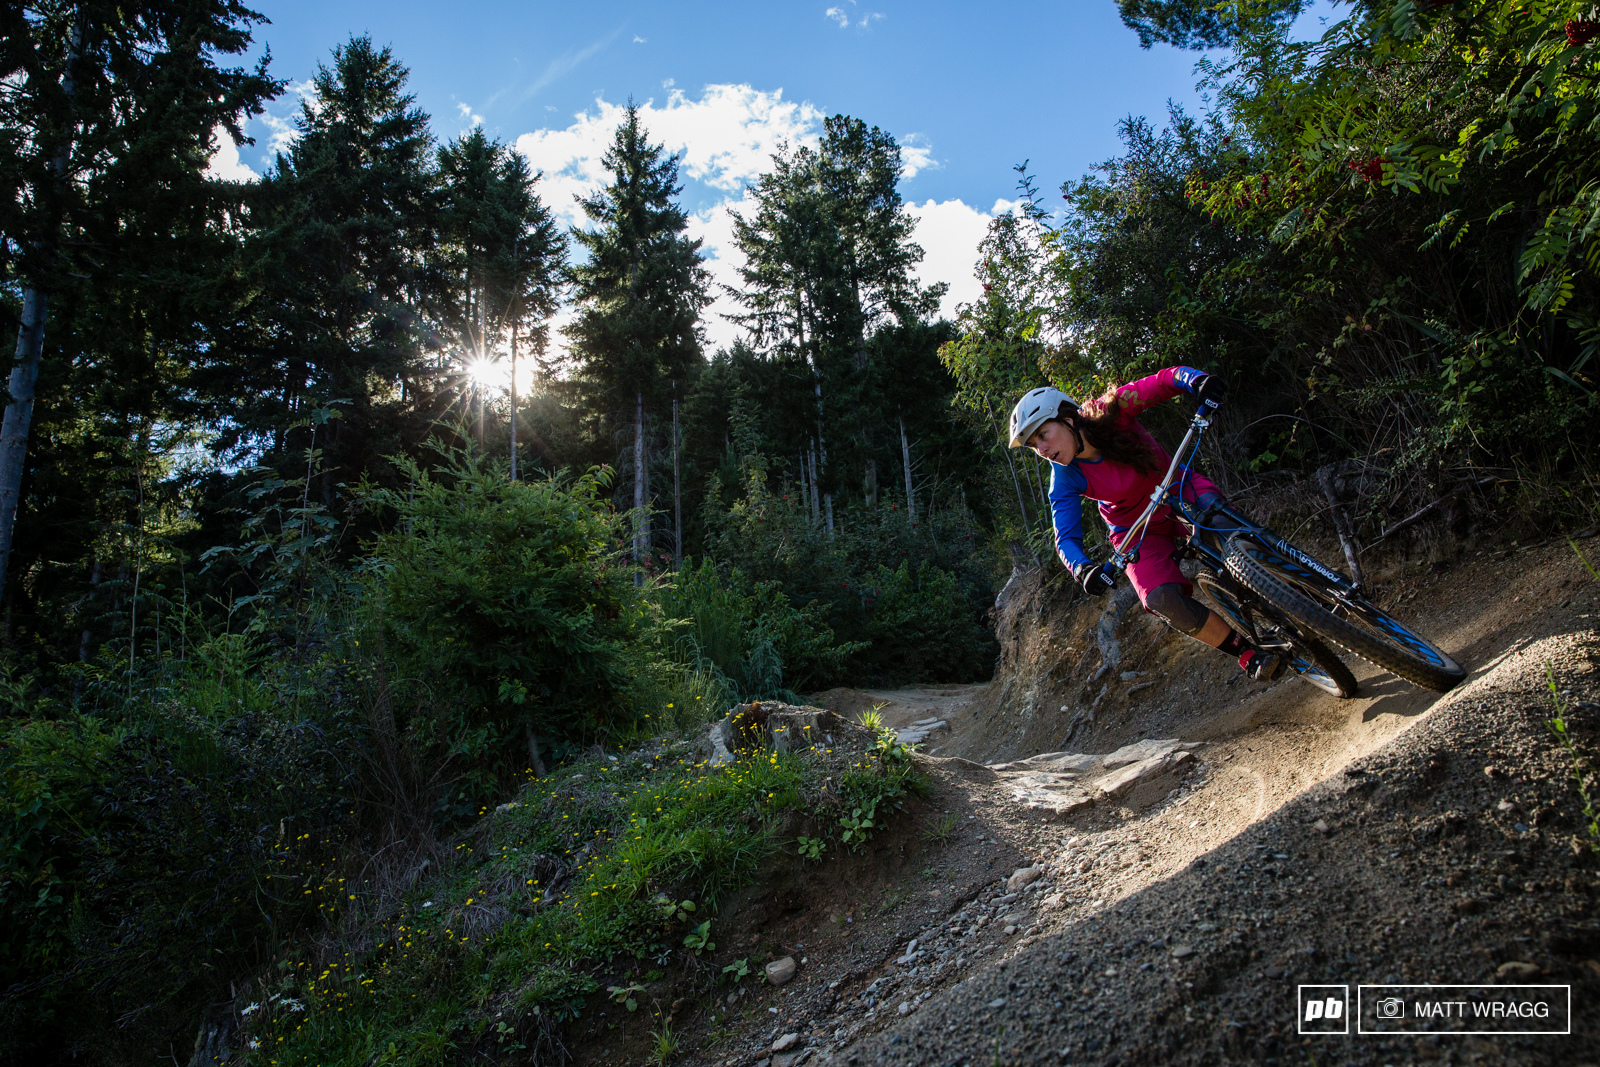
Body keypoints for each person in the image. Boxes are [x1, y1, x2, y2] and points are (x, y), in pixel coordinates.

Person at [1007, 367, 1284, 680]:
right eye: (1033, 446)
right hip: (1137, 532)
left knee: (1231, 534)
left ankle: (1304, 596)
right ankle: (1249, 653)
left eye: (1042, 435)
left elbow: (1164, 381)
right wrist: (1082, 569)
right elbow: (1066, 538)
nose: (1041, 450)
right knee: (1161, 599)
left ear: (1068, 420)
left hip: (1180, 488)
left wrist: (1196, 381)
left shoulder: (1110, 411)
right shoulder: (1064, 478)